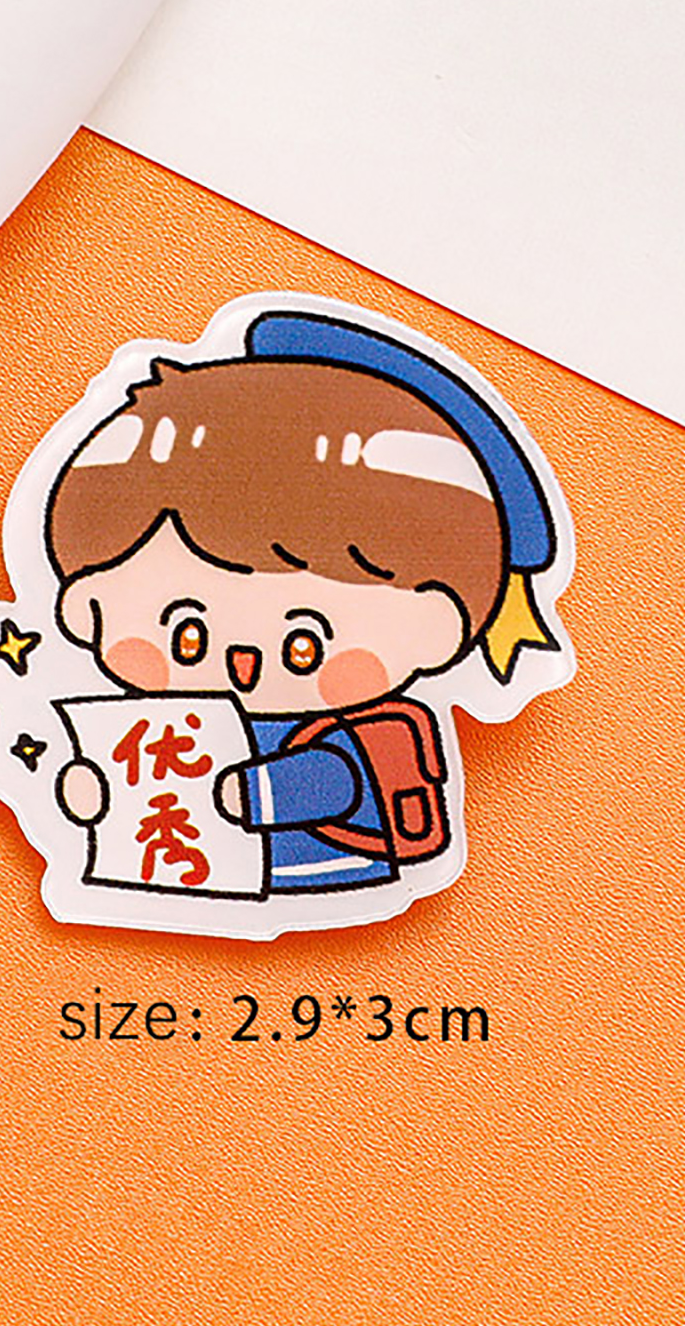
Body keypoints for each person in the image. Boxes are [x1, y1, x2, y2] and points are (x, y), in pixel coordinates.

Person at [44, 309, 562, 893]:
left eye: (303, 644)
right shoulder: (168, 729)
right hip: (198, 880)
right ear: (88, 606)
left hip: (331, 879)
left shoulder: (357, 733)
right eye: (188, 634)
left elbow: (334, 782)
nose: (242, 662)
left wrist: (251, 793)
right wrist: (95, 793)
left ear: (435, 627)